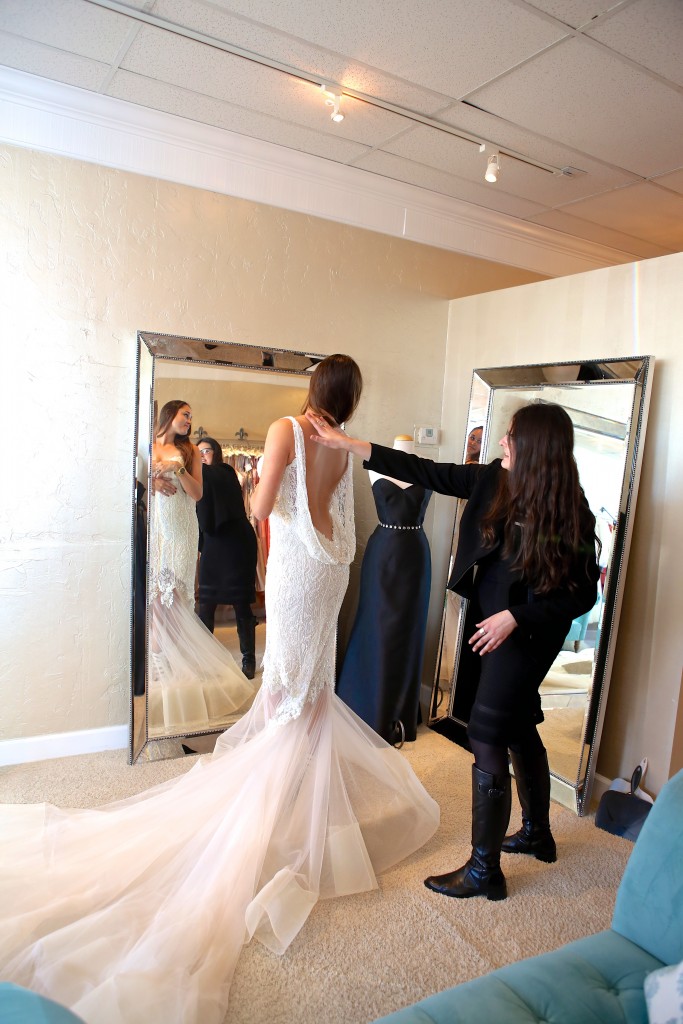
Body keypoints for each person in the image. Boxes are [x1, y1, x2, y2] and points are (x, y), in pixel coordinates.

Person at [0, 357, 438, 1024]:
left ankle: (266, 806)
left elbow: (262, 507)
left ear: (313, 389)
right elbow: (335, 518)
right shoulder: (343, 447)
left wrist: (259, 476)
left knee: (286, 688)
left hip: (295, 567)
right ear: (349, 398)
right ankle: (306, 812)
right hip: (329, 572)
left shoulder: (287, 427)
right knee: (308, 689)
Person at [308, 401, 599, 901]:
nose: (502, 442)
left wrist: (515, 618)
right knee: (519, 725)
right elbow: (428, 472)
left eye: (511, 436)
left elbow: (580, 595)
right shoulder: (493, 482)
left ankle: (485, 871)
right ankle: (536, 833)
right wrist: (355, 446)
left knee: (487, 733)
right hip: (495, 627)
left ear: (536, 448)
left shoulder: (568, 509)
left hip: (527, 635)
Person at [148, 401, 255, 733]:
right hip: (157, 528)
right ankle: (159, 666)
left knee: (176, 597)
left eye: (192, 416)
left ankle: (180, 667)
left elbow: (196, 494)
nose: (190, 420)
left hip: (181, 529)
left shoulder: (191, 451)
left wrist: (178, 470)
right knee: (153, 598)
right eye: (185, 414)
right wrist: (153, 483)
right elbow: (135, 479)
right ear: (170, 415)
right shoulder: (149, 444)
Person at [337, 434, 432, 744]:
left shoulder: (427, 467)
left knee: (409, 628)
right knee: (377, 625)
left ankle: (401, 711)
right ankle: (369, 706)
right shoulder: (375, 464)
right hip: (383, 554)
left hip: (416, 554)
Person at [196, 436, 259, 679]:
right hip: (213, 544)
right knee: (206, 602)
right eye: (198, 452)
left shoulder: (225, 472)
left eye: (207, 451)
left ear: (218, 453)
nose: (202, 455)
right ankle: (203, 659)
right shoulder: (199, 477)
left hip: (237, 543)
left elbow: (211, 479)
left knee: (241, 601)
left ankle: (249, 659)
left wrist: (187, 466)